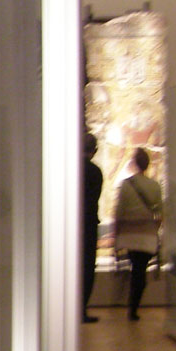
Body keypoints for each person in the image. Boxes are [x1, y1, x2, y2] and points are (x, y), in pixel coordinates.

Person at [114, 147, 163, 320]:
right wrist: (154, 230)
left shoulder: (126, 185)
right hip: (147, 234)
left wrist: (116, 233)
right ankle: (133, 307)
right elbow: (159, 213)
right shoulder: (155, 186)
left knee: (136, 269)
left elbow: (119, 212)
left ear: (134, 163)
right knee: (140, 270)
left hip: (129, 234)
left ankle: (132, 306)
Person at [82, 132, 104, 322]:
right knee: (87, 267)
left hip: (76, 225)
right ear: (94, 151)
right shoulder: (95, 172)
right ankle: (82, 308)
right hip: (88, 224)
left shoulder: (72, 170)